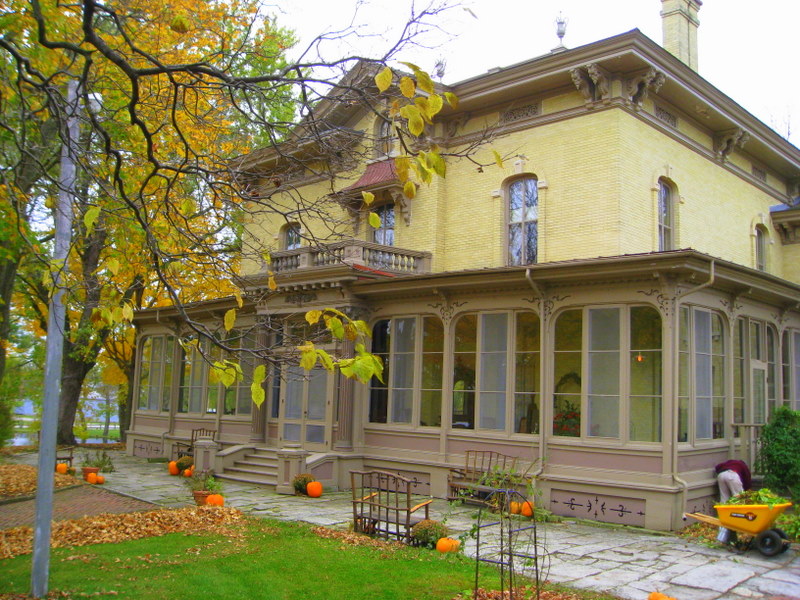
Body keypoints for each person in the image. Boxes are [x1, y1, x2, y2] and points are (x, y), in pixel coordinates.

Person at [714, 459, 751, 543]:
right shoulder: (743, 466)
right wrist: (747, 492)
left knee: (724, 502)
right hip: (732, 476)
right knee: (739, 501)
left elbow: (717, 467)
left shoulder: (729, 462)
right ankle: (737, 524)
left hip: (721, 475)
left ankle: (722, 532)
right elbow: (747, 481)